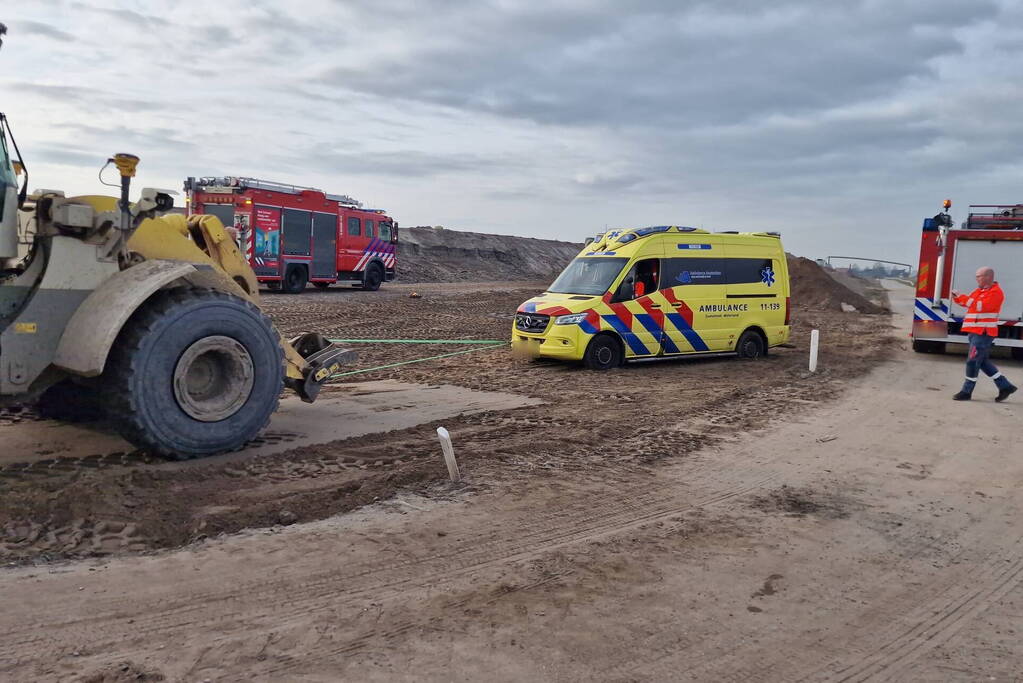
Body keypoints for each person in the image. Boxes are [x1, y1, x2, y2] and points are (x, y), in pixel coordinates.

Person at [951, 266, 1017, 402]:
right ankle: (1005, 386)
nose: (976, 279)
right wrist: (958, 299)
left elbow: (981, 306)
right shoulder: (979, 291)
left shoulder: (996, 293)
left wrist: (962, 297)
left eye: (979, 276)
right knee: (981, 362)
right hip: (975, 332)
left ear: (988, 277)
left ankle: (966, 391)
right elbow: (971, 303)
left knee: (972, 361)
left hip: (983, 332)